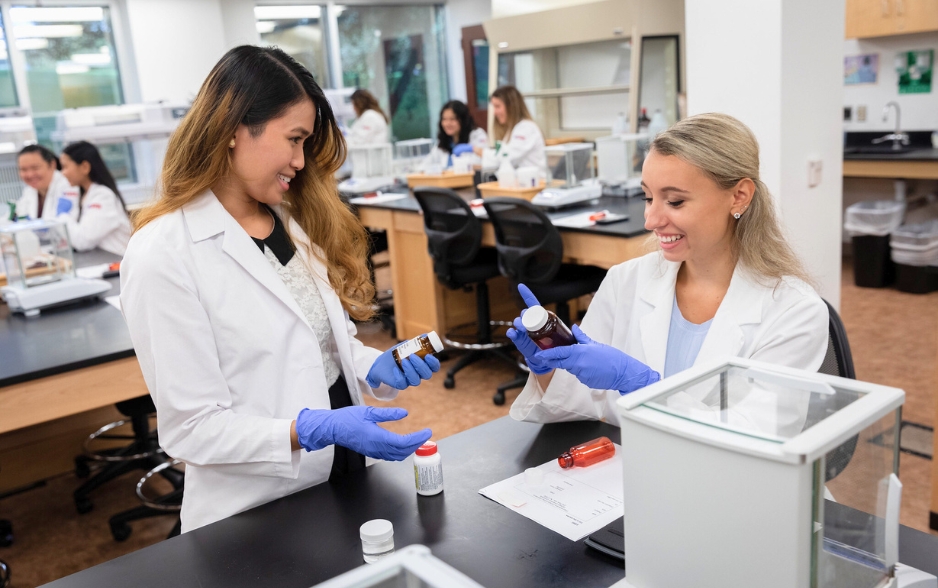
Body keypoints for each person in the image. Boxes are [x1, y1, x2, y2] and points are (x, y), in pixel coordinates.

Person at [120, 46, 440, 533]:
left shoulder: (288, 221)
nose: (300, 160)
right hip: (258, 509)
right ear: (232, 129)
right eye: (294, 139)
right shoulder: (163, 252)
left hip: (345, 476)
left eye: (306, 144)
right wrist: (306, 430)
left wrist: (370, 364)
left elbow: (315, 343)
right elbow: (192, 429)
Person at [507, 113, 828, 424]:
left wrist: (643, 385)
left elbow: (756, 437)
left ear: (739, 196)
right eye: (648, 198)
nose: (651, 220)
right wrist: (549, 366)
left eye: (674, 202)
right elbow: (584, 405)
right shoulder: (625, 282)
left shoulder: (794, 311)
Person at [57, 141, 131, 256]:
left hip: (117, 261)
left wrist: (63, 216)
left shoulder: (103, 196)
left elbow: (83, 241)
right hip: (102, 259)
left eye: (65, 167)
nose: (63, 173)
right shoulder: (85, 194)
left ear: (85, 167)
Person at [478, 85, 546, 172]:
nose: (495, 112)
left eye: (498, 106)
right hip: (520, 182)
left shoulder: (526, 128)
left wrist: (479, 151)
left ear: (511, 106)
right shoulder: (513, 129)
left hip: (534, 183)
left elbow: (507, 157)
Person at [14, 144, 78, 222]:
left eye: (35, 168)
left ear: (52, 164)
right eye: (23, 169)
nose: (29, 175)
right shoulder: (29, 191)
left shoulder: (68, 185)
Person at [421, 100, 487, 171]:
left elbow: (481, 162)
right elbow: (425, 165)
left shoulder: (477, 135)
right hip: (447, 181)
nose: (448, 123)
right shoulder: (443, 142)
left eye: (452, 119)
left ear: (463, 120)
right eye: (444, 119)